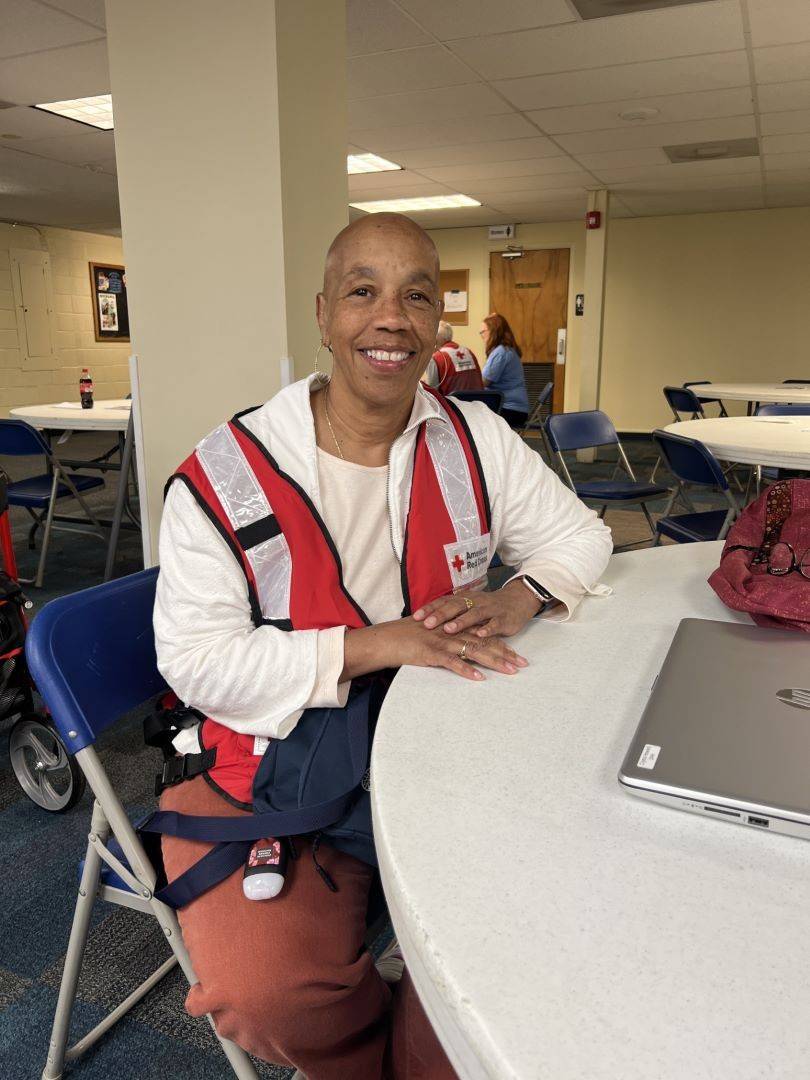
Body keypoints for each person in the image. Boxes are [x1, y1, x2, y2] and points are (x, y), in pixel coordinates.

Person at [153, 212, 612, 1079]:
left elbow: (581, 537)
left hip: (444, 734)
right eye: (363, 291)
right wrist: (378, 645)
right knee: (267, 996)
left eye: (416, 295)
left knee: (531, 946)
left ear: (440, 323)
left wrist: (521, 595)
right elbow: (198, 664)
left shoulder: (471, 438)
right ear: (324, 316)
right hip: (269, 756)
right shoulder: (224, 474)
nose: (390, 317)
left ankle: (425, 1038)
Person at [479, 312, 530, 427]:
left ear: (494, 331)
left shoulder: (500, 352)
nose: (482, 336)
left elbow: (483, 382)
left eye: (483, 332)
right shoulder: (507, 350)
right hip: (516, 409)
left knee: (472, 417)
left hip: (510, 410)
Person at [423, 319, 484, 395]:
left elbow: (431, 393)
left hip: (451, 405)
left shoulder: (435, 359)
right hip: (477, 404)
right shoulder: (468, 352)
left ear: (436, 340)